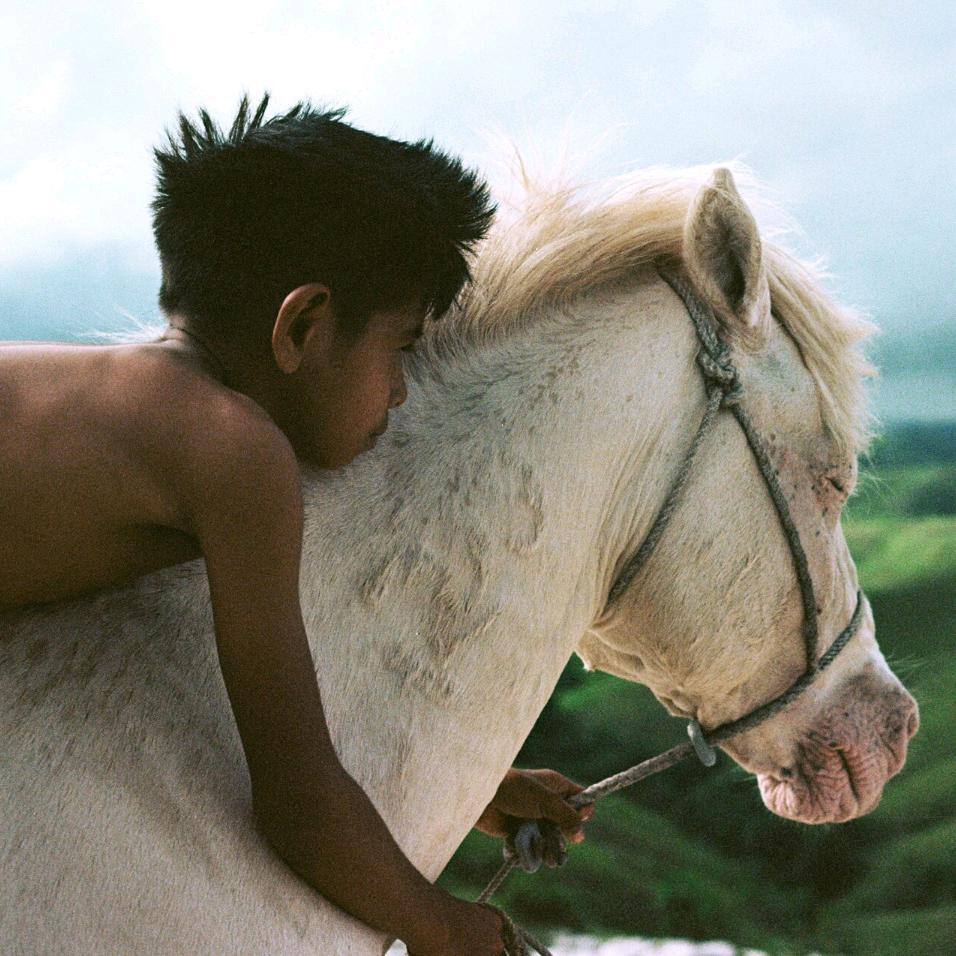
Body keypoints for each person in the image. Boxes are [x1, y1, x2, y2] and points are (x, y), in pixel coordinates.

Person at [0, 95, 593, 955]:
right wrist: (451, 931)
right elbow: (298, 801)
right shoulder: (233, 452)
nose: (398, 391)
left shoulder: (110, 401)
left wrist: (475, 788)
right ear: (303, 325)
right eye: (400, 346)